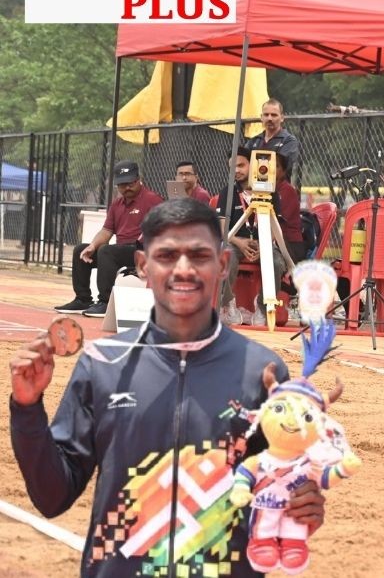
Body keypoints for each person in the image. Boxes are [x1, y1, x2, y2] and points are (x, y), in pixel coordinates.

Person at [10, 198, 325, 576]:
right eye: (167, 255)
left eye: (199, 255)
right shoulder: (102, 366)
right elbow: (52, 496)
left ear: (223, 263)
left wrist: (302, 506)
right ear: (143, 265)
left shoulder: (263, 373)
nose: (183, 268)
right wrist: (27, 409)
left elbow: (281, 488)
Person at [56, 160, 163, 318]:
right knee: (81, 250)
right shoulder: (117, 204)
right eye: (122, 184)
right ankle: (83, 299)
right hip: (120, 251)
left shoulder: (152, 200)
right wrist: (93, 246)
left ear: (138, 179)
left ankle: (105, 302)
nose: (127, 188)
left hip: (142, 251)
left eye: (130, 183)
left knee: (107, 251)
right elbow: (106, 231)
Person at [215, 148, 287, 326]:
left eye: (241, 165)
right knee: (225, 256)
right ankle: (227, 304)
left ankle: (263, 307)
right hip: (235, 241)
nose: (236, 170)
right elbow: (223, 228)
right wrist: (239, 242)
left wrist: (264, 245)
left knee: (277, 262)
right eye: (232, 167)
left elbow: (275, 227)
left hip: (263, 242)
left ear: (253, 164)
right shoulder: (227, 192)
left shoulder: (271, 192)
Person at [244, 99, 300, 182]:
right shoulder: (254, 141)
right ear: (261, 117)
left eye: (274, 115)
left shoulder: (289, 141)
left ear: (282, 118)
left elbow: (278, 168)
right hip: (253, 187)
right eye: (266, 115)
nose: (269, 118)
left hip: (278, 188)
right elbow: (243, 165)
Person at [274, 153, 306, 263]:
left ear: (283, 171)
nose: (270, 168)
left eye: (276, 165)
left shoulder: (287, 191)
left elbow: (278, 223)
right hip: (273, 240)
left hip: (289, 244)